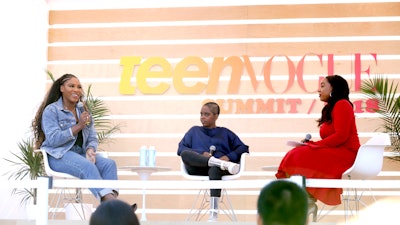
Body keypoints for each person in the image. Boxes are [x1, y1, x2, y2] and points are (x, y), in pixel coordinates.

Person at [32, 73, 136, 210]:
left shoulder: (83, 110)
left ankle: (110, 206)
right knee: (88, 166)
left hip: (80, 154)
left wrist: (90, 150)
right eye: (71, 86)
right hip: (58, 155)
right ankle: (115, 206)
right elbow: (53, 139)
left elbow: (92, 136)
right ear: (61, 88)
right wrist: (78, 126)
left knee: (109, 164)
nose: (76, 90)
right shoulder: (52, 110)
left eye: (79, 87)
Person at [276, 75, 360, 210]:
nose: (318, 90)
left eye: (322, 86)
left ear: (334, 88)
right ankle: (304, 200)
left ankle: (303, 201)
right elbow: (332, 139)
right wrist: (313, 144)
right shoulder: (330, 108)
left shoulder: (342, 104)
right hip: (336, 151)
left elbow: (341, 136)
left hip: (347, 154)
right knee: (298, 153)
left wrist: (314, 145)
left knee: (298, 154)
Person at [177, 101, 249, 222]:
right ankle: (215, 162)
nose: (202, 117)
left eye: (206, 114)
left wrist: (228, 157)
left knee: (214, 169)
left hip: (219, 170)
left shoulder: (225, 132)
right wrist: (201, 154)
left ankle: (213, 212)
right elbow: (181, 149)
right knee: (185, 154)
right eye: (201, 114)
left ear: (216, 116)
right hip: (197, 168)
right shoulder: (194, 131)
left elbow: (243, 148)